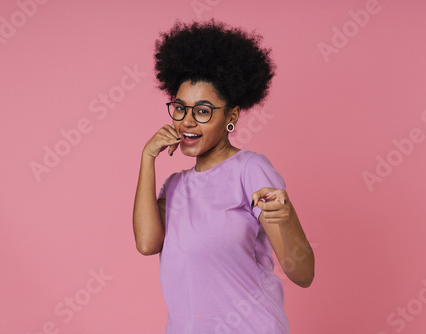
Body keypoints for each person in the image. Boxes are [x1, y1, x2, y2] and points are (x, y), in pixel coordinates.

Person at [133, 19, 315, 334]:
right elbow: (148, 243)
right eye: (180, 108)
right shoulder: (175, 187)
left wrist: (285, 218)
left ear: (231, 116)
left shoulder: (250, 169)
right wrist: (147, 158)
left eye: (202, 111)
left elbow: (303, 273)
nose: (187, 122)